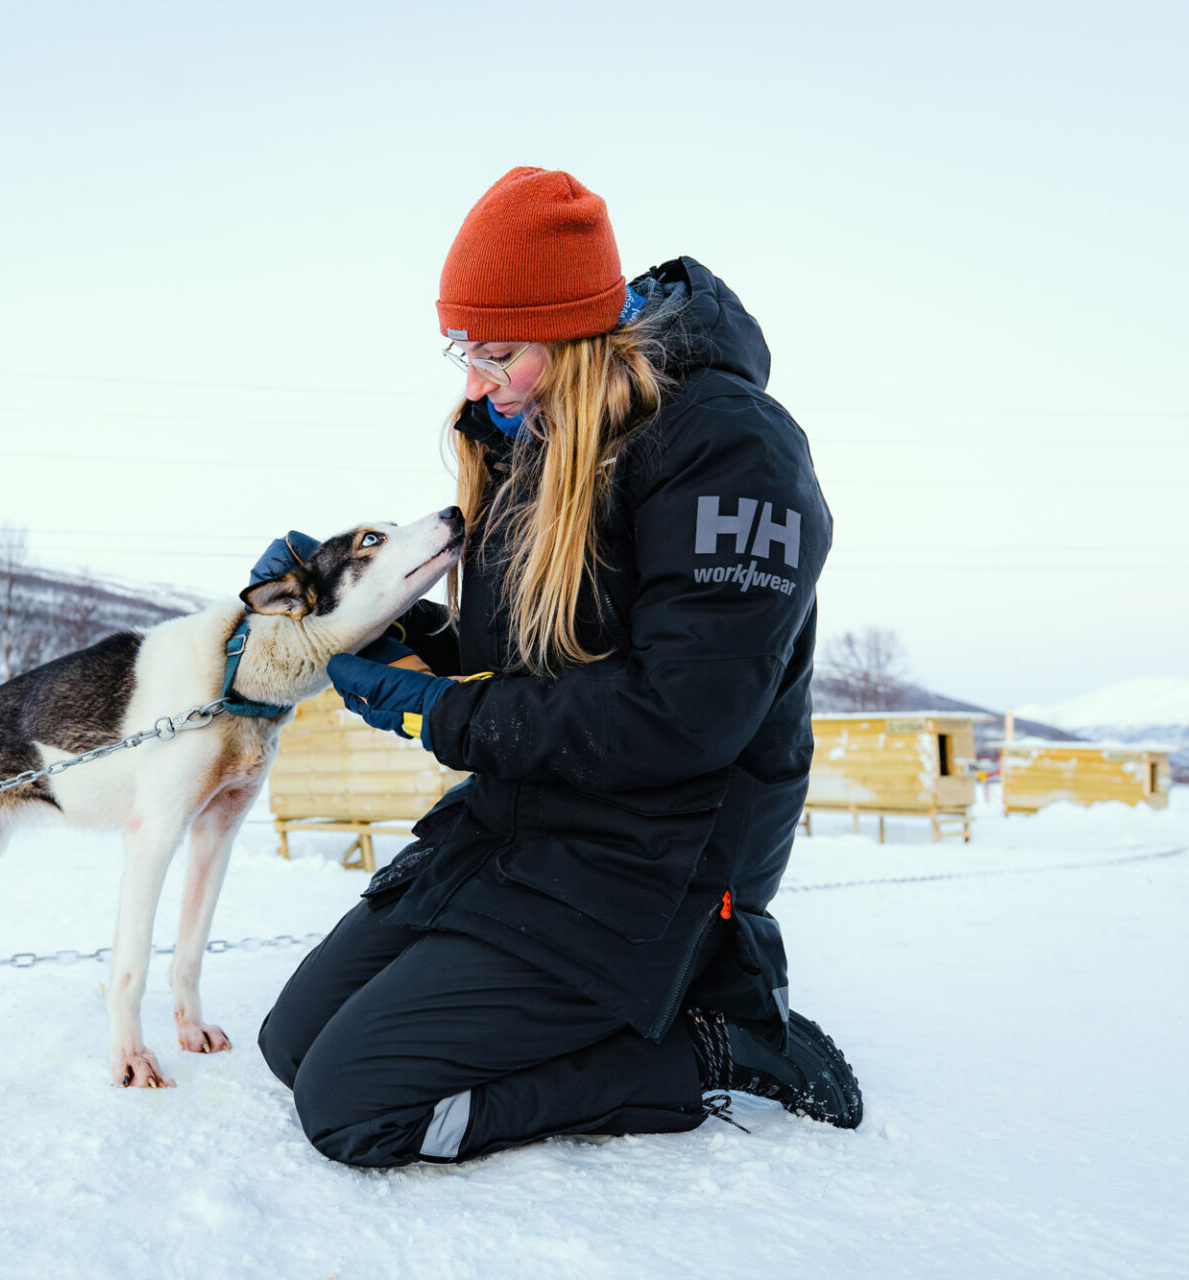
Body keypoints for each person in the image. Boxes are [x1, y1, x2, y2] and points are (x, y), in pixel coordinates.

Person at [253, 167, 861, 1169]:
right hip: (523, 823)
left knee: (352, 1106)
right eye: (464, 351)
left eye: (497, 355)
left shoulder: (729, 447)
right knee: (291, 1044)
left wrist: (438, 714)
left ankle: (714, 1040)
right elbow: (533, 657)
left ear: (575, 335)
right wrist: (375, 624)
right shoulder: (536, 436)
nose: (474, 383)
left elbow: (681, 714)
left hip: (655, 856)